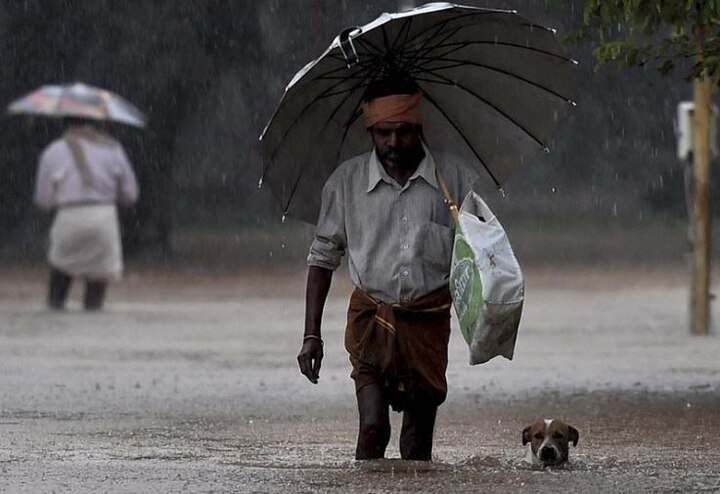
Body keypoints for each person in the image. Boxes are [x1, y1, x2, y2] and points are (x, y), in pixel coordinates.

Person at [297, 76, 480, 461]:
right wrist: (311, 335)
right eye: (382, 133)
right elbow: (322, 258)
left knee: (416, 443)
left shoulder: (455, 181)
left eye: (403, 132)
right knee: (373, 426)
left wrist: (486, 324)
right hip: (370, 321)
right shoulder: (345, 183)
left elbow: (480, 257)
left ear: (419, 128)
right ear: (370, 131)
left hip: (427, 323)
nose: (393, 144)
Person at [33, 120, 139, 311]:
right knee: (99, 270)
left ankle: (56, 303)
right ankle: (93, 307)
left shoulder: (53, 151)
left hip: (69, 214)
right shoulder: (113, 149)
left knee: (62, 265)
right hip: (103, 214)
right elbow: (130, 193)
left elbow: (43, 198)